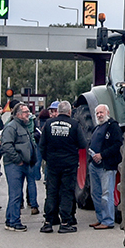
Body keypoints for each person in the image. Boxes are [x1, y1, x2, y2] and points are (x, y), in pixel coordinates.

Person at [39, 100, 85, 233]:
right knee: (66, 192)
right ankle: (65, 222)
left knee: (51, 192)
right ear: (70, 112)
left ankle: (48, 222)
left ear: (58, 111)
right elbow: (82, 144)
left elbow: (42, 145)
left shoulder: (48, 124)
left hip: (53, 164)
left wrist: (48, 158)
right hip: (69, 165)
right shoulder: (74, 124)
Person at [0, 103, 37, 231]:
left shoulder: (24, 126)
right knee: (16, 194)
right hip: (14, 165)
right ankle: (15, 222)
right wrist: (18, 160)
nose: (29, 114)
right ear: (19, 114)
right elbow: (6, 146)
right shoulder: (11, 127)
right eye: (26, 112)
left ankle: (10, 220)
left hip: (24, 164)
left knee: (16, 194)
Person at [87, 103, 122, 230]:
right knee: (95, 194)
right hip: (94, 166)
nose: (99, 115)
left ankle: (108, 220)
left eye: (101, 112)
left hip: (106, 166)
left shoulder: (113, 127)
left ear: (107, 113)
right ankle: (100, 218)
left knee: (106, 194)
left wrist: (102, 155)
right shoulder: (97, 128)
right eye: (97, 113)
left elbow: (118, 145)